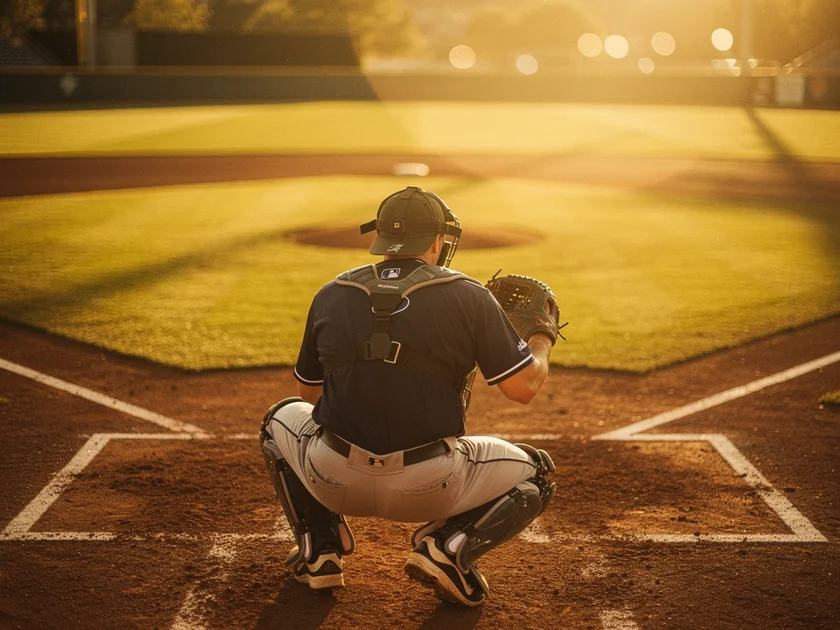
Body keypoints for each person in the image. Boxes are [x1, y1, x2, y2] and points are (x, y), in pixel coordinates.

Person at [259, 185, 557, 607]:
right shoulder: (471, 295)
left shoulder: (331, 292)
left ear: (380, 238)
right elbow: (522, 387)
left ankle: (319, 552)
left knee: (279, 418)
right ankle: (448, 548)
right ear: (437, 242)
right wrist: (540, 336)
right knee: (539, 472)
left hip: (333, 479)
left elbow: (308, 393)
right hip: (430, 486)